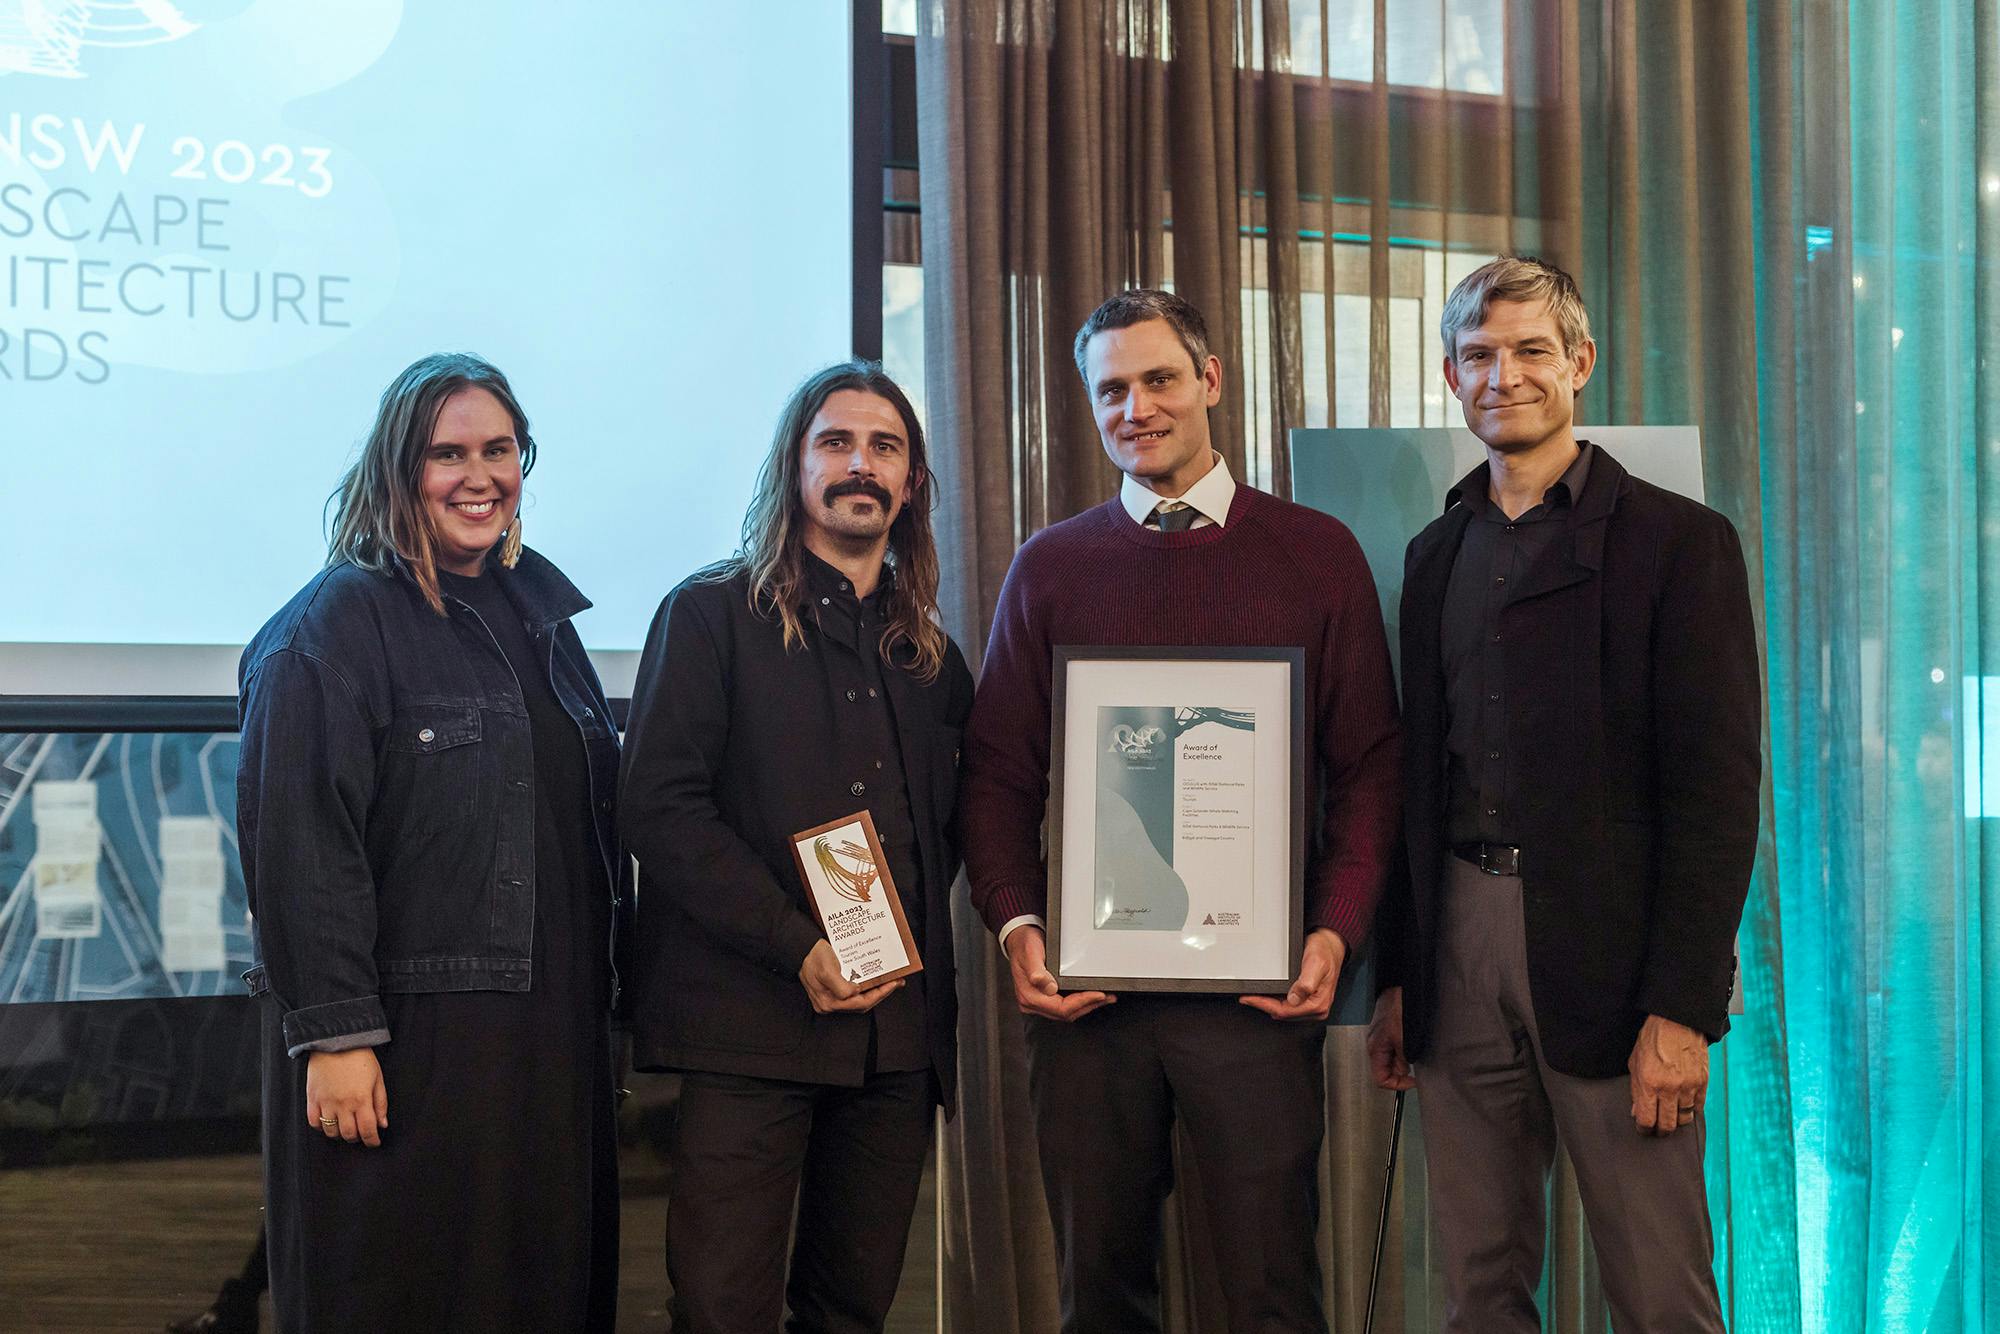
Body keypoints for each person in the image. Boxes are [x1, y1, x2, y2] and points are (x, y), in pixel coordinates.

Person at [959, 289, 1401, 1333]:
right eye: (1110, 388)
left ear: (1209, 380)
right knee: (1098, 1296)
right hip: (1088, 999)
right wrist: (1018, 925)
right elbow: (994, 775)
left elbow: (1371, 769)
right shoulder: (1051, 564)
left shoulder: (1314, 552)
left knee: (1267, 1291)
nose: (1135, 406)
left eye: (1157, 378)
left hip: (1258, 1000)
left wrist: (1334, 931)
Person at [1366, 255, 1760, 1332]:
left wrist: (1680, 1005)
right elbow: (1413, 783)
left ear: (1579, 362)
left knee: (1658, 1291)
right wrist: (1401, 976)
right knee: (1476, 1290)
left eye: (1530, 349)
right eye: (1479, 354)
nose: (1505, 375)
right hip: (1458, 934)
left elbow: (1717, 791)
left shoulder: (1680, 542)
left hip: (1618, 952)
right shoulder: (1432, 552)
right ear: (1450, 376)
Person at [237, 353, 623, 1332]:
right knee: (402, 1292)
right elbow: (300, 840)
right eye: (447, 452)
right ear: (397, 468)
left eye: (499, 449)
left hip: (546, 1037)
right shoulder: (333, 626)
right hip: (408, 1048)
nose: (479, 474)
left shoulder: (541, 614)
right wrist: (334, 1033)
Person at [619, 361, 973, 1333]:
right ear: (794, 465)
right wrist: (797, 945)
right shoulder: (709, 617)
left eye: (884, 447)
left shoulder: (932, 660)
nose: (860, 464)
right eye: (836, 441)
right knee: (724, 1308)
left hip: (893, 1047)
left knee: (850, 1309)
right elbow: (659, 809)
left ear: (909, 484)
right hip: (748, 1032)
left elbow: (963, 828)